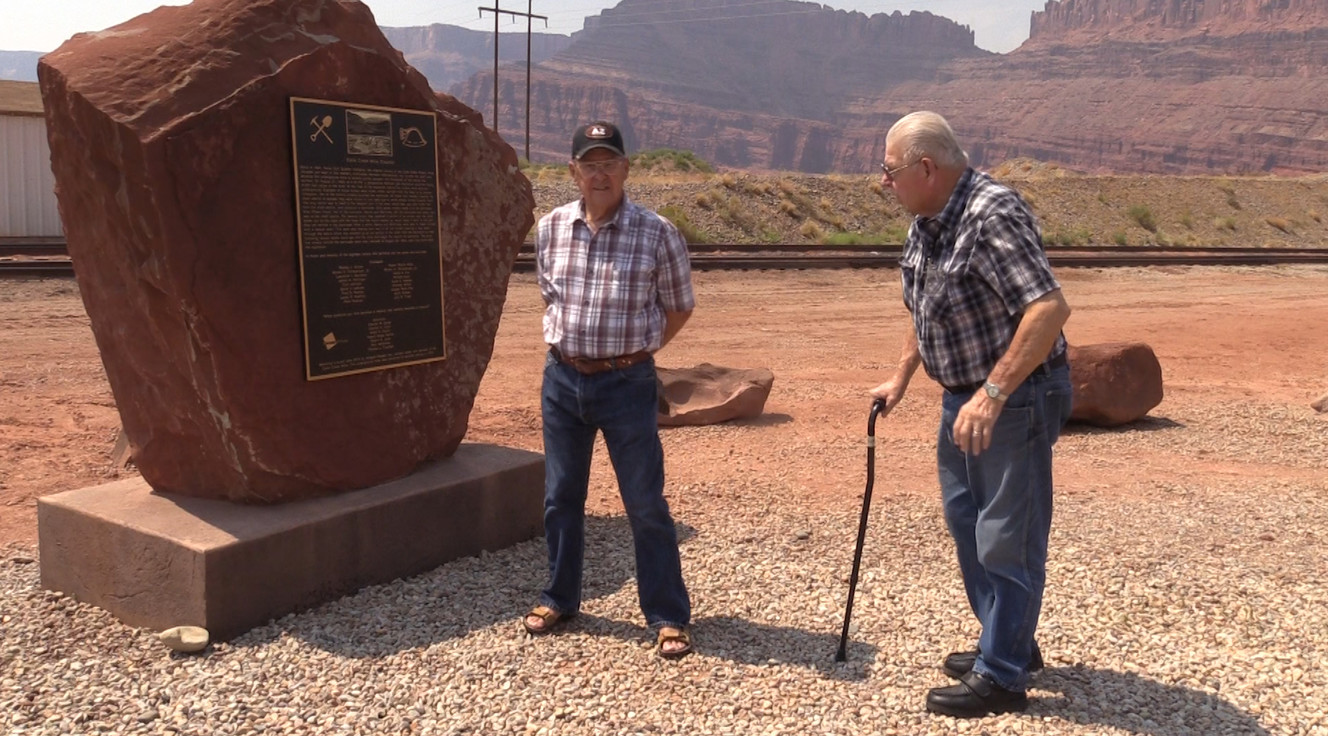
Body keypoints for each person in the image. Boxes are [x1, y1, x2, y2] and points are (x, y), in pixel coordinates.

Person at [868, 111, 1073, 717]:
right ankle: (1007, 638)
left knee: (1007, 537)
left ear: (926, 168)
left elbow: (1048, 308)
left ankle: (1004, 674)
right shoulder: (929, 221)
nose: (885, 184)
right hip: (963, 395)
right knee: (967, 524)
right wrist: (902, 376)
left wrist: (992, 392)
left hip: (1016, 396)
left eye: (890, 171)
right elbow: (927, 308)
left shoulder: (992, 215)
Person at [522, 120, 696, 659]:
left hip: (626, 382)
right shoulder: (550, 228)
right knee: (560, 497)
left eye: (609, 163)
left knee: (644, 503)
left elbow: (679, 306)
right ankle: (561, 597)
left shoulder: (657, 232)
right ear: (573, 171)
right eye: (589, 164)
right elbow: (550, 295)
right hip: (562, 380)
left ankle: (667, 615)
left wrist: (636, 353)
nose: (600, 174)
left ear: (626, 169)